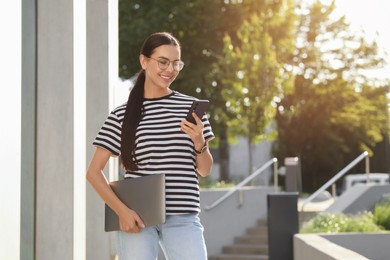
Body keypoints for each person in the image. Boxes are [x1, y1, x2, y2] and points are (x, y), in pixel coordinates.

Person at [86, 32, 215, 260]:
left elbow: (204, 170)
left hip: (183, 217)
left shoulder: (190, 108)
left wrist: (199, 142)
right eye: (163, 62)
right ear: (144, 61)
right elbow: (94, 173)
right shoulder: (121, 115)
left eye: (176, 63)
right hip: (137, 217)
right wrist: (122, 212)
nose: (170, 69)